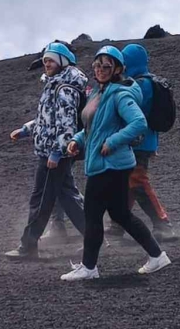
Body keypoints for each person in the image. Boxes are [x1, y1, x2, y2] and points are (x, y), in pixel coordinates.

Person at [60, 47, 172, 281]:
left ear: (118, 69)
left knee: (92, 215)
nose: (100, 69)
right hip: (106, 163)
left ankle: (89, 268)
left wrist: (113, 141)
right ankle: (157, 256)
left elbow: (139, 123)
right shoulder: (99, 93)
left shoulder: (120, 94)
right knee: (121, 215)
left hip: (110, 166)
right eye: (97, 65)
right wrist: (77, 140)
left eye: (107, 66)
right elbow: (93, 127)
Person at [5, 42, 89, 259]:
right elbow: (48, 120)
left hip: (53, 154)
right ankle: (94, 237)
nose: (46, 64)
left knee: (41, 198)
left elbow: (66, 124)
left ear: (62, 61)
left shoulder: (64, 89)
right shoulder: (56, 85)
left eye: (50, 60)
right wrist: (27, 129)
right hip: (53, 151)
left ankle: (28, 247)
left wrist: (57, 152)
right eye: (45, 61)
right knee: (68, 197)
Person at [119, 44, 175, 240]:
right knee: (128, 183)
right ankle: (118, 224)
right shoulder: (148, 82)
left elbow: (132, 113)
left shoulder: (140, 85)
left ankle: (163, 224)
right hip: (146, 140)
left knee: (137, 181)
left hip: (138, 142)